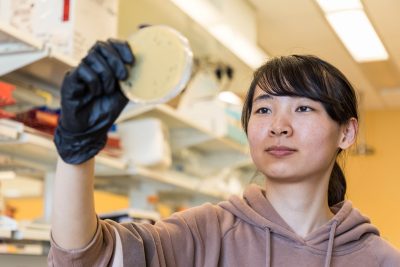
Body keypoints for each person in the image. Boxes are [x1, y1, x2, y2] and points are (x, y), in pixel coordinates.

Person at [48, 39, 400, 267]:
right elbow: (85, 259)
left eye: (303, 109)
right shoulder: (204, 233)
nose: (279, 125)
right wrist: (75, 150)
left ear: (347, 132)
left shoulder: (378, 259)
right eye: (263, 110)